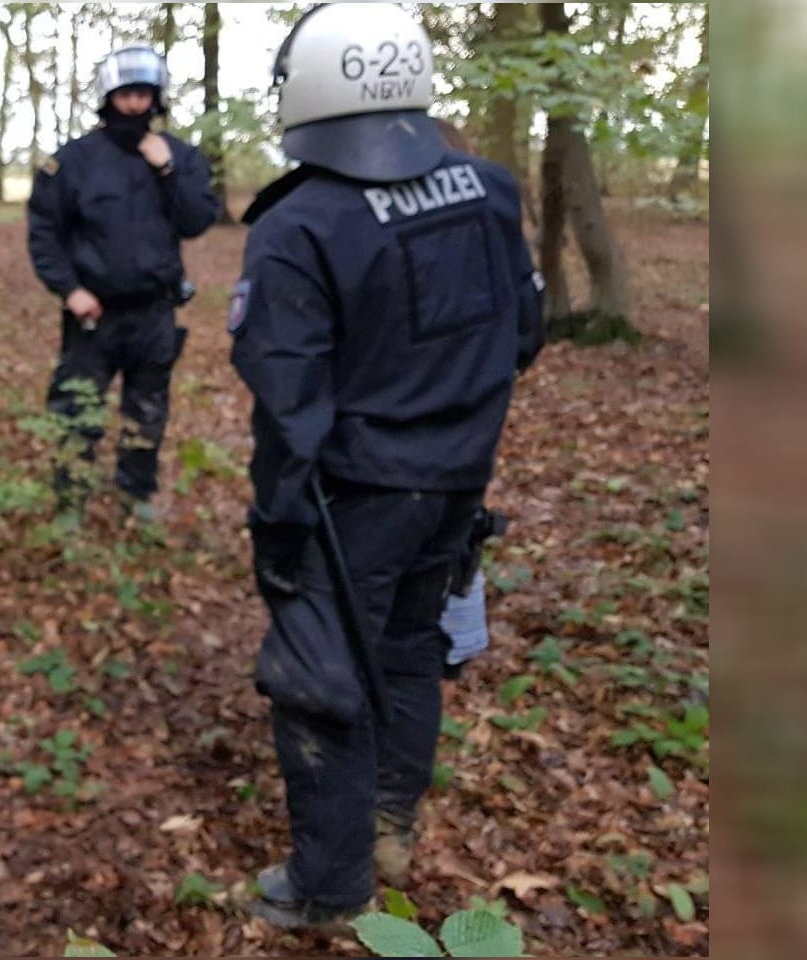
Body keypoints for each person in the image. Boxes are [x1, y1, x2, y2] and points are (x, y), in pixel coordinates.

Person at [226, 3, 545, 929]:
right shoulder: (487, 189)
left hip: (349, 496)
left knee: (317, 680)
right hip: (458, 484)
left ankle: (331, 888)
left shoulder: (299, 224)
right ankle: (387, 821)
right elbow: (524, 333)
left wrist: (280, 522)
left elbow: (287, 401)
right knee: (408, 650)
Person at [26, 45, 219, 524]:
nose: (134, 105)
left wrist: (167, 171)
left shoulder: (180, 156)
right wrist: (70, 289)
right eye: (125, 95)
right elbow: (44, 232)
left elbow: (198, 220)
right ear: (108, 97)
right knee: (76, 410)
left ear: (157, 99)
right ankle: (70, 501)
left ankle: (136, 496)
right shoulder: (73, 162)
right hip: (92, 314)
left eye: (143, 95)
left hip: (154, 312)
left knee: (147, 412)